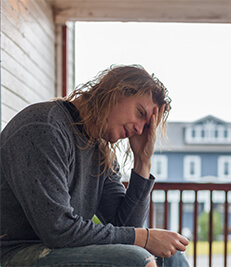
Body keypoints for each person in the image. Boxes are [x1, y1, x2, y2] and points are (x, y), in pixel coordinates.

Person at [0, 65, 190, 267]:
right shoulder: (44, 127)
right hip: (16, 253)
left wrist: (142, 162)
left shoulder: (100, 150)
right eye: (140, 113)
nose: (139, 129)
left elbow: (124, 228)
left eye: (146, 126)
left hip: (59, 250)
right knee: (136, 260)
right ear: (116, 93)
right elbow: (58, 230)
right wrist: (143, 237)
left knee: (171, 257)